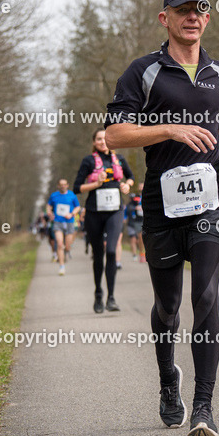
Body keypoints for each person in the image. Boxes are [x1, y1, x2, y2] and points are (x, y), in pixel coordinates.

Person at [105, 0, 219, 436]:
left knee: (205, 295)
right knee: (168, 305)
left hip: (211, 197)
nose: (192, 17)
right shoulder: (143, 72)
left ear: (207, 17)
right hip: (161, 203)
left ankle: (205, 407)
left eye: (200, 9)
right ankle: (170, 376)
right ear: (164, 18)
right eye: (182, 10)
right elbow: (115, 135)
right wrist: (169, 129)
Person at [73, 128, 134, 313]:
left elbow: (130, 177)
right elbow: (77, 187)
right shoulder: (89, 161)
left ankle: (112, 297)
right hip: (94, 212)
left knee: (111, 251)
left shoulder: (120, 159)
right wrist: (96, 184)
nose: (102, 142)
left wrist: (126, 185)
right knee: (98, 254)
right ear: (94, 142)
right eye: (99, 139)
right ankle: (99, 293)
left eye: (105, 138)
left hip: (115, 211)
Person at [47, 178, 81, 276]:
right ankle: (61, 266)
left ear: (67, 185)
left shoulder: (72, 195)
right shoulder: (54, 196)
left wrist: (72, 214)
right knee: (60, 243)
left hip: (69, 221)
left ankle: (67, 251)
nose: (63, 186)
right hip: (58, 222)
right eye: (61, 184)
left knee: (67, 244)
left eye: (64, 184)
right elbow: (48, 206)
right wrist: (49, 213)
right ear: (58, 186)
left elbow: (77, 207)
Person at [125, 182, 145, 262]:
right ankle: (141, 254)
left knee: (144, 238)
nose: (141, 188)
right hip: (137, 220)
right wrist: (136, 207)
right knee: (140, 237)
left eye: (142, 186)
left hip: (146, 219)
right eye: (140, 186)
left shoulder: (149, 195)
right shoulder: (136, 197)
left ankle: (144, 254)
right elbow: (129, 206)